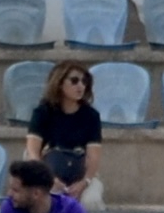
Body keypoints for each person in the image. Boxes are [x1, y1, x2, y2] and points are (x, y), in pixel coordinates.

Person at [25, 57, 105, 194]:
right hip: (45, 171)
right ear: (59, 83)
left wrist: (84, 183)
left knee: (92, 200)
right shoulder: (42, 112)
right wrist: (49, 178)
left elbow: (94, 157)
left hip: (80, 174)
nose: (80, 86)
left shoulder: (91, 116)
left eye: (84, 81)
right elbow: (32, 152)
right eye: (74, 81)